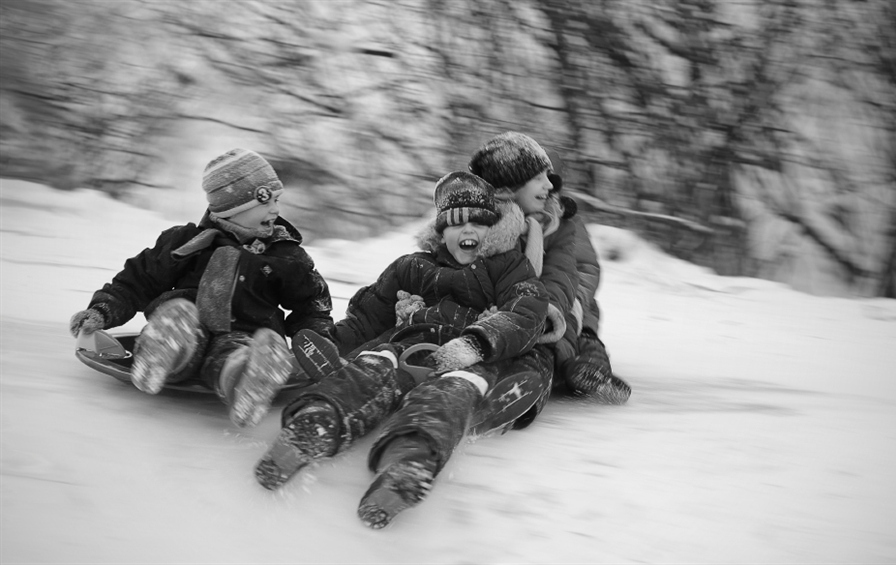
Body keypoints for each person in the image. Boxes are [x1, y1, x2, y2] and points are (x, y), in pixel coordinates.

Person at [254, 171, 552, 528]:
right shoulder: (413, 267)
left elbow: (525, 309)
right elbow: (368, 318)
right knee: (371, 368)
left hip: (465, 357)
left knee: (449, 395)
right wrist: (333, 344)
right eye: (457, 224)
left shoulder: (507, 266)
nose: (468, 231)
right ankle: (314, 426)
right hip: (406, 345)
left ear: (493, 228)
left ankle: (408, 465)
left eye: (479, 222)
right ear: (441, 231)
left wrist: (476, 342)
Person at [68, 148, 334, 428]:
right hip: (187, 322)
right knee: (181, 325)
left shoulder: (285, 256)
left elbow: (311, 303)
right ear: (235, 207)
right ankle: (163, 350)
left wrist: (319, 341)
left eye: (277, 200)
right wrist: (103, 309)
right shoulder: (188, 242)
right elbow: (139, 279)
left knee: (234, 356)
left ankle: (249, 379)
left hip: (245, 333)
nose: (276, 210)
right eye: (268, 201)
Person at [468, 132, 631, 403]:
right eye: (537, 179)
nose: (545, 188)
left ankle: (589, 370)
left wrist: (576, 298)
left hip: (569, 295)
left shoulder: (562, 223)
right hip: (521, 302)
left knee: (580, 330)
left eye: (549, 181)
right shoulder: (498, 222)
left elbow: (583, 266)